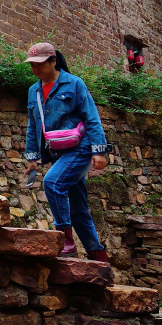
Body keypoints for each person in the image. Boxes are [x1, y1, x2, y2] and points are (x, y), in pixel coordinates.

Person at [23, 42, 112, 262]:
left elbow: (92, 117)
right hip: (59, 153)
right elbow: (33, 126)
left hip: (81, 148)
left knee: (53, 182)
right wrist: (32, 157)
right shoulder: (33, 90)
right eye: (32, 64)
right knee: (79, 210)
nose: (35, 69)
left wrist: (98, 151)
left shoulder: (74, 83)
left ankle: (66, 242)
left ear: (53, 61)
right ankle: (99, 258)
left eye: (39, 64)